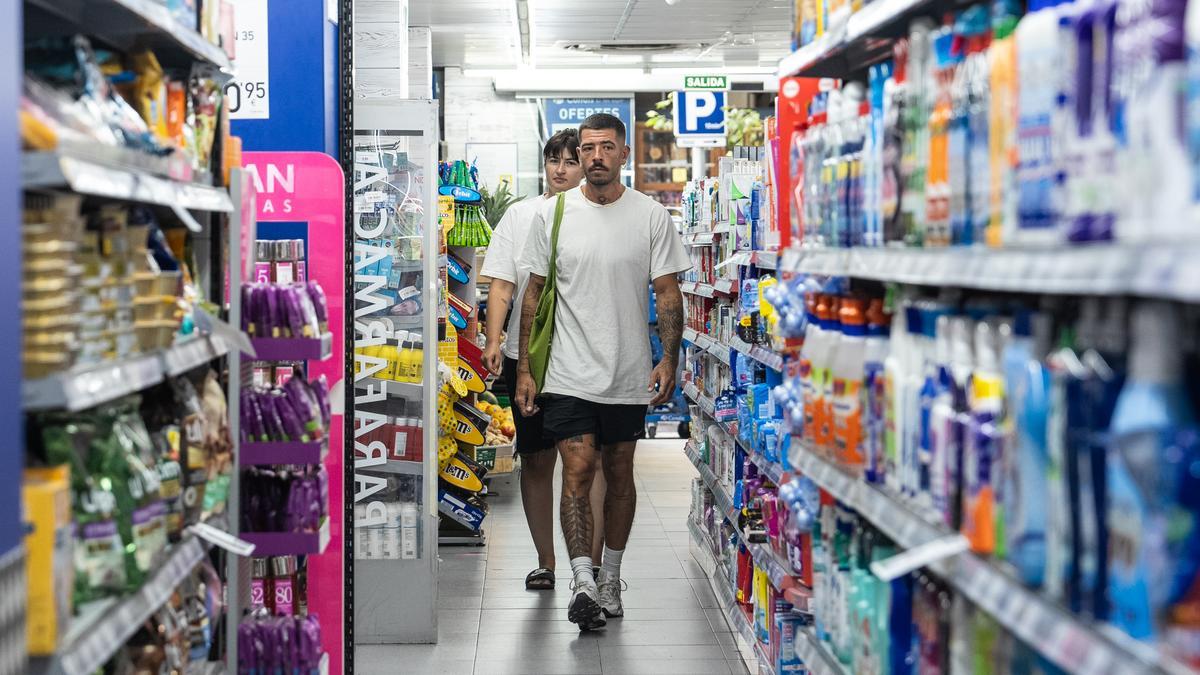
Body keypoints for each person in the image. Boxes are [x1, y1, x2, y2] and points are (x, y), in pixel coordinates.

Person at [515, 113, 691, 630]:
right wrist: (526, 368)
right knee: (577, 470)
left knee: (619, 474)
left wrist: (669, 357)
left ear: (623, 154)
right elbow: (533, 295)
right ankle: (582, 580)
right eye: (588, 147)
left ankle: (610, 574)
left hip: (627, 370)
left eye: (605, 148)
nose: (595, 157)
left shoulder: (651, 216)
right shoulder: (555, 215)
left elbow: (667, 293)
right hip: (568, 372)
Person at [478, 129, 607, 591]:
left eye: (570, 161)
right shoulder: (520, 216)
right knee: (535, 462)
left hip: (582, 358)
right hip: (526, 355)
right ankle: (546, 561)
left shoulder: (601, 217)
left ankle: (588, 566)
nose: (560, 169)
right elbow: (500, 284)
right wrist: (494, 339)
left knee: (586, 461)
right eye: (553, 160)